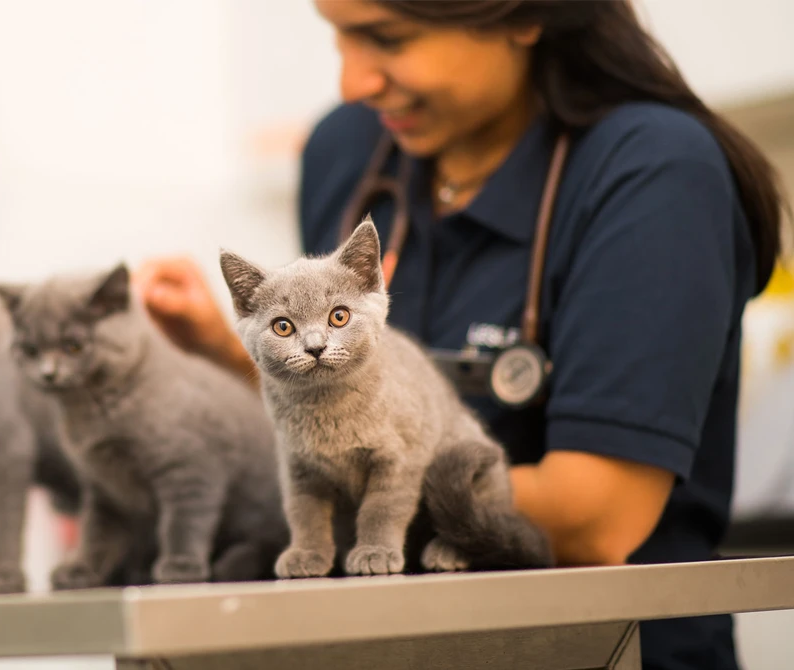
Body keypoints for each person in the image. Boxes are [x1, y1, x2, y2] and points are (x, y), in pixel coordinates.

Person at [132, 2, 789, 669]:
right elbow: (341, 410)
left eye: (386, 38)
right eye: (337, 37)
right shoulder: (348, 150)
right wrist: (225, 348)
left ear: (522, 17)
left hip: (601, 651)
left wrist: (376, 487)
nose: (354, 82)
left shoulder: (654, 173)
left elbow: (595, 520)